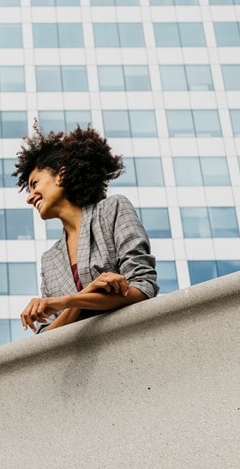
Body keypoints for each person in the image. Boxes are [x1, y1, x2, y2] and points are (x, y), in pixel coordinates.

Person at [13, 124, 159, 332]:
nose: (29, 197)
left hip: (130, 342)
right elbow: (47, 336)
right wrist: (79, 298)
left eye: (35, 184)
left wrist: (67, 302)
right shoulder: (50, 260)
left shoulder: (112, 209)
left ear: (61, 175)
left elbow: (143, 288)